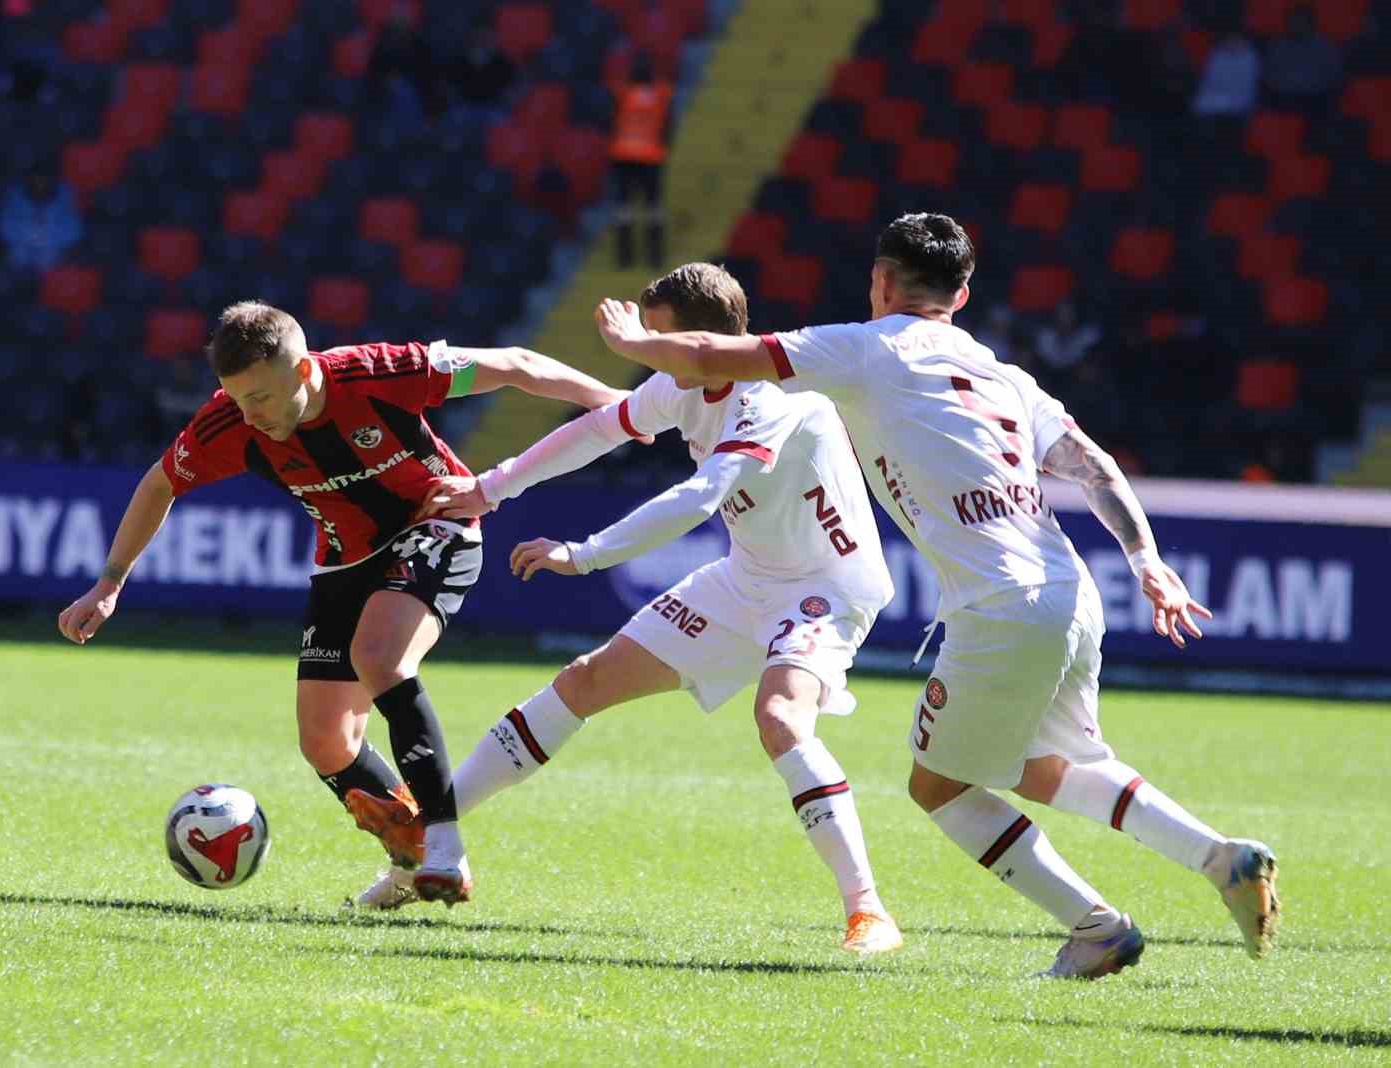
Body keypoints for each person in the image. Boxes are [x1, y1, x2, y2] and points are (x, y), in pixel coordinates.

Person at [591, 214, 1281, 979]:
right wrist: (1147, 559)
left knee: (939, 786)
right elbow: (1091, 466)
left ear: (882, 281)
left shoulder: (863, 346)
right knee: (1042, 767)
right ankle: (1221, 859)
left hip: (1000, 606)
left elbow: (716, 353)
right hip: (1069, 592)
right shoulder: (1003, 373)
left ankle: (1098, 929)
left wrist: (631, 344)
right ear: (962, 293)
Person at [349, 263, 903, 955]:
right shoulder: (682, 382)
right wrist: (491, 488)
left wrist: (585, 554)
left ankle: (869, 912)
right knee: (583, 681)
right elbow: (597, 431)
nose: (652, 357)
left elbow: (697, 499)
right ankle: (431, 843)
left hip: (826, 588)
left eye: (660, 341)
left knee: (780, 715)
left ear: (703, 340)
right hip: (746, 578)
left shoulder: (770, 396)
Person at [56, 301, 629, 904]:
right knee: (326, 741)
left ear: (303, 372)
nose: (251, 415)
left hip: (438, 525)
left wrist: (618, 407)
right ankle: (409, 858)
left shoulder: (381, 372)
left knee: (380, 658)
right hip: (345, 559)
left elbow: (515, 364)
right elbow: (159, 483)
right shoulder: (229, 423)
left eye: (262, 398)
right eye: (238, 398)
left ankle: (443, 846)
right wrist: (110, 582)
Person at [608, 52, 673, 269]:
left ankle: (624, 259)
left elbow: (610, 123)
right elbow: (668, 126)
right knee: (653, 209)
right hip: (651, 158)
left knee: (624, 209)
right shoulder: (661, 94)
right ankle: (655, 258)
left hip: (623, 157)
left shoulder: (622, 93)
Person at [0, 170, 82, 272]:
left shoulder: (65, 198)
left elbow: (74, 230)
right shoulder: (15, 197)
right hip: (20, 245)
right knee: (18, 256)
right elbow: (4, 226)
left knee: (49, 259)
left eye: (44, 181)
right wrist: (28, 233)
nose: (40, 185)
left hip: (52, 247)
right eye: (37, 181)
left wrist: (47, 236)